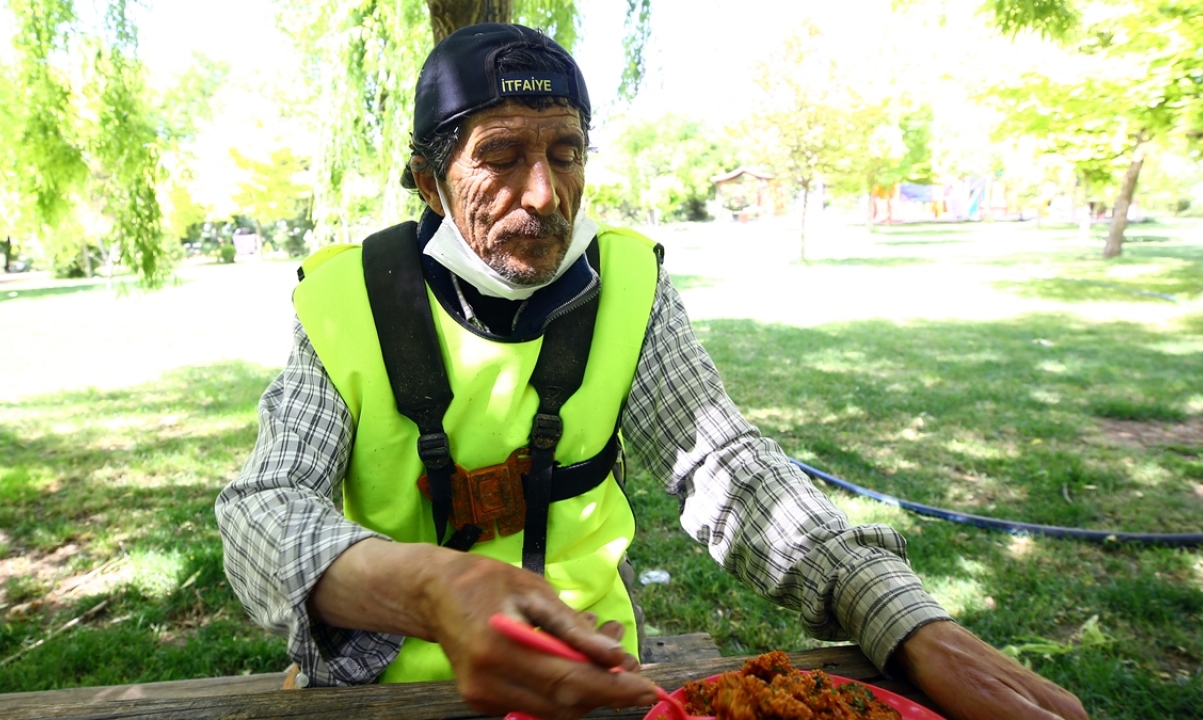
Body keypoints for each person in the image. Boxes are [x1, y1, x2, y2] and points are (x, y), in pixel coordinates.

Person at [215, 23, 1088, 720]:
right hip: (391, 693)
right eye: (501, 155)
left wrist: (896, 615)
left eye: (565, 152)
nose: (545, 196)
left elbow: (727, 469)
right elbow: (261, 515)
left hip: (603, 683)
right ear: (429, 183)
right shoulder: (349, 299)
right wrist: (431, 589)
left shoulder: (628, 284)